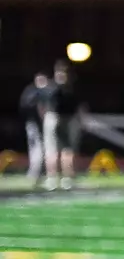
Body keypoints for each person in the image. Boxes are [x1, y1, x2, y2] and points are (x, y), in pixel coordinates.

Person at [47, 61, 84, 189]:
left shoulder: (52, 87)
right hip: (60, 118)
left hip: (60, 118)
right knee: (61, 150)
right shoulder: (66, 88)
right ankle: (63, 178)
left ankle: (56, 178)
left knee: (60, 150)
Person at [19, 73, 48, 183]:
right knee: (37, 148)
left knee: (38, 148)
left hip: (35, 124)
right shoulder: (34, 92)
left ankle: (39, 172)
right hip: (34, 124)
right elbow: (26, 106)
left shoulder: (32, 91)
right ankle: (36, 173)